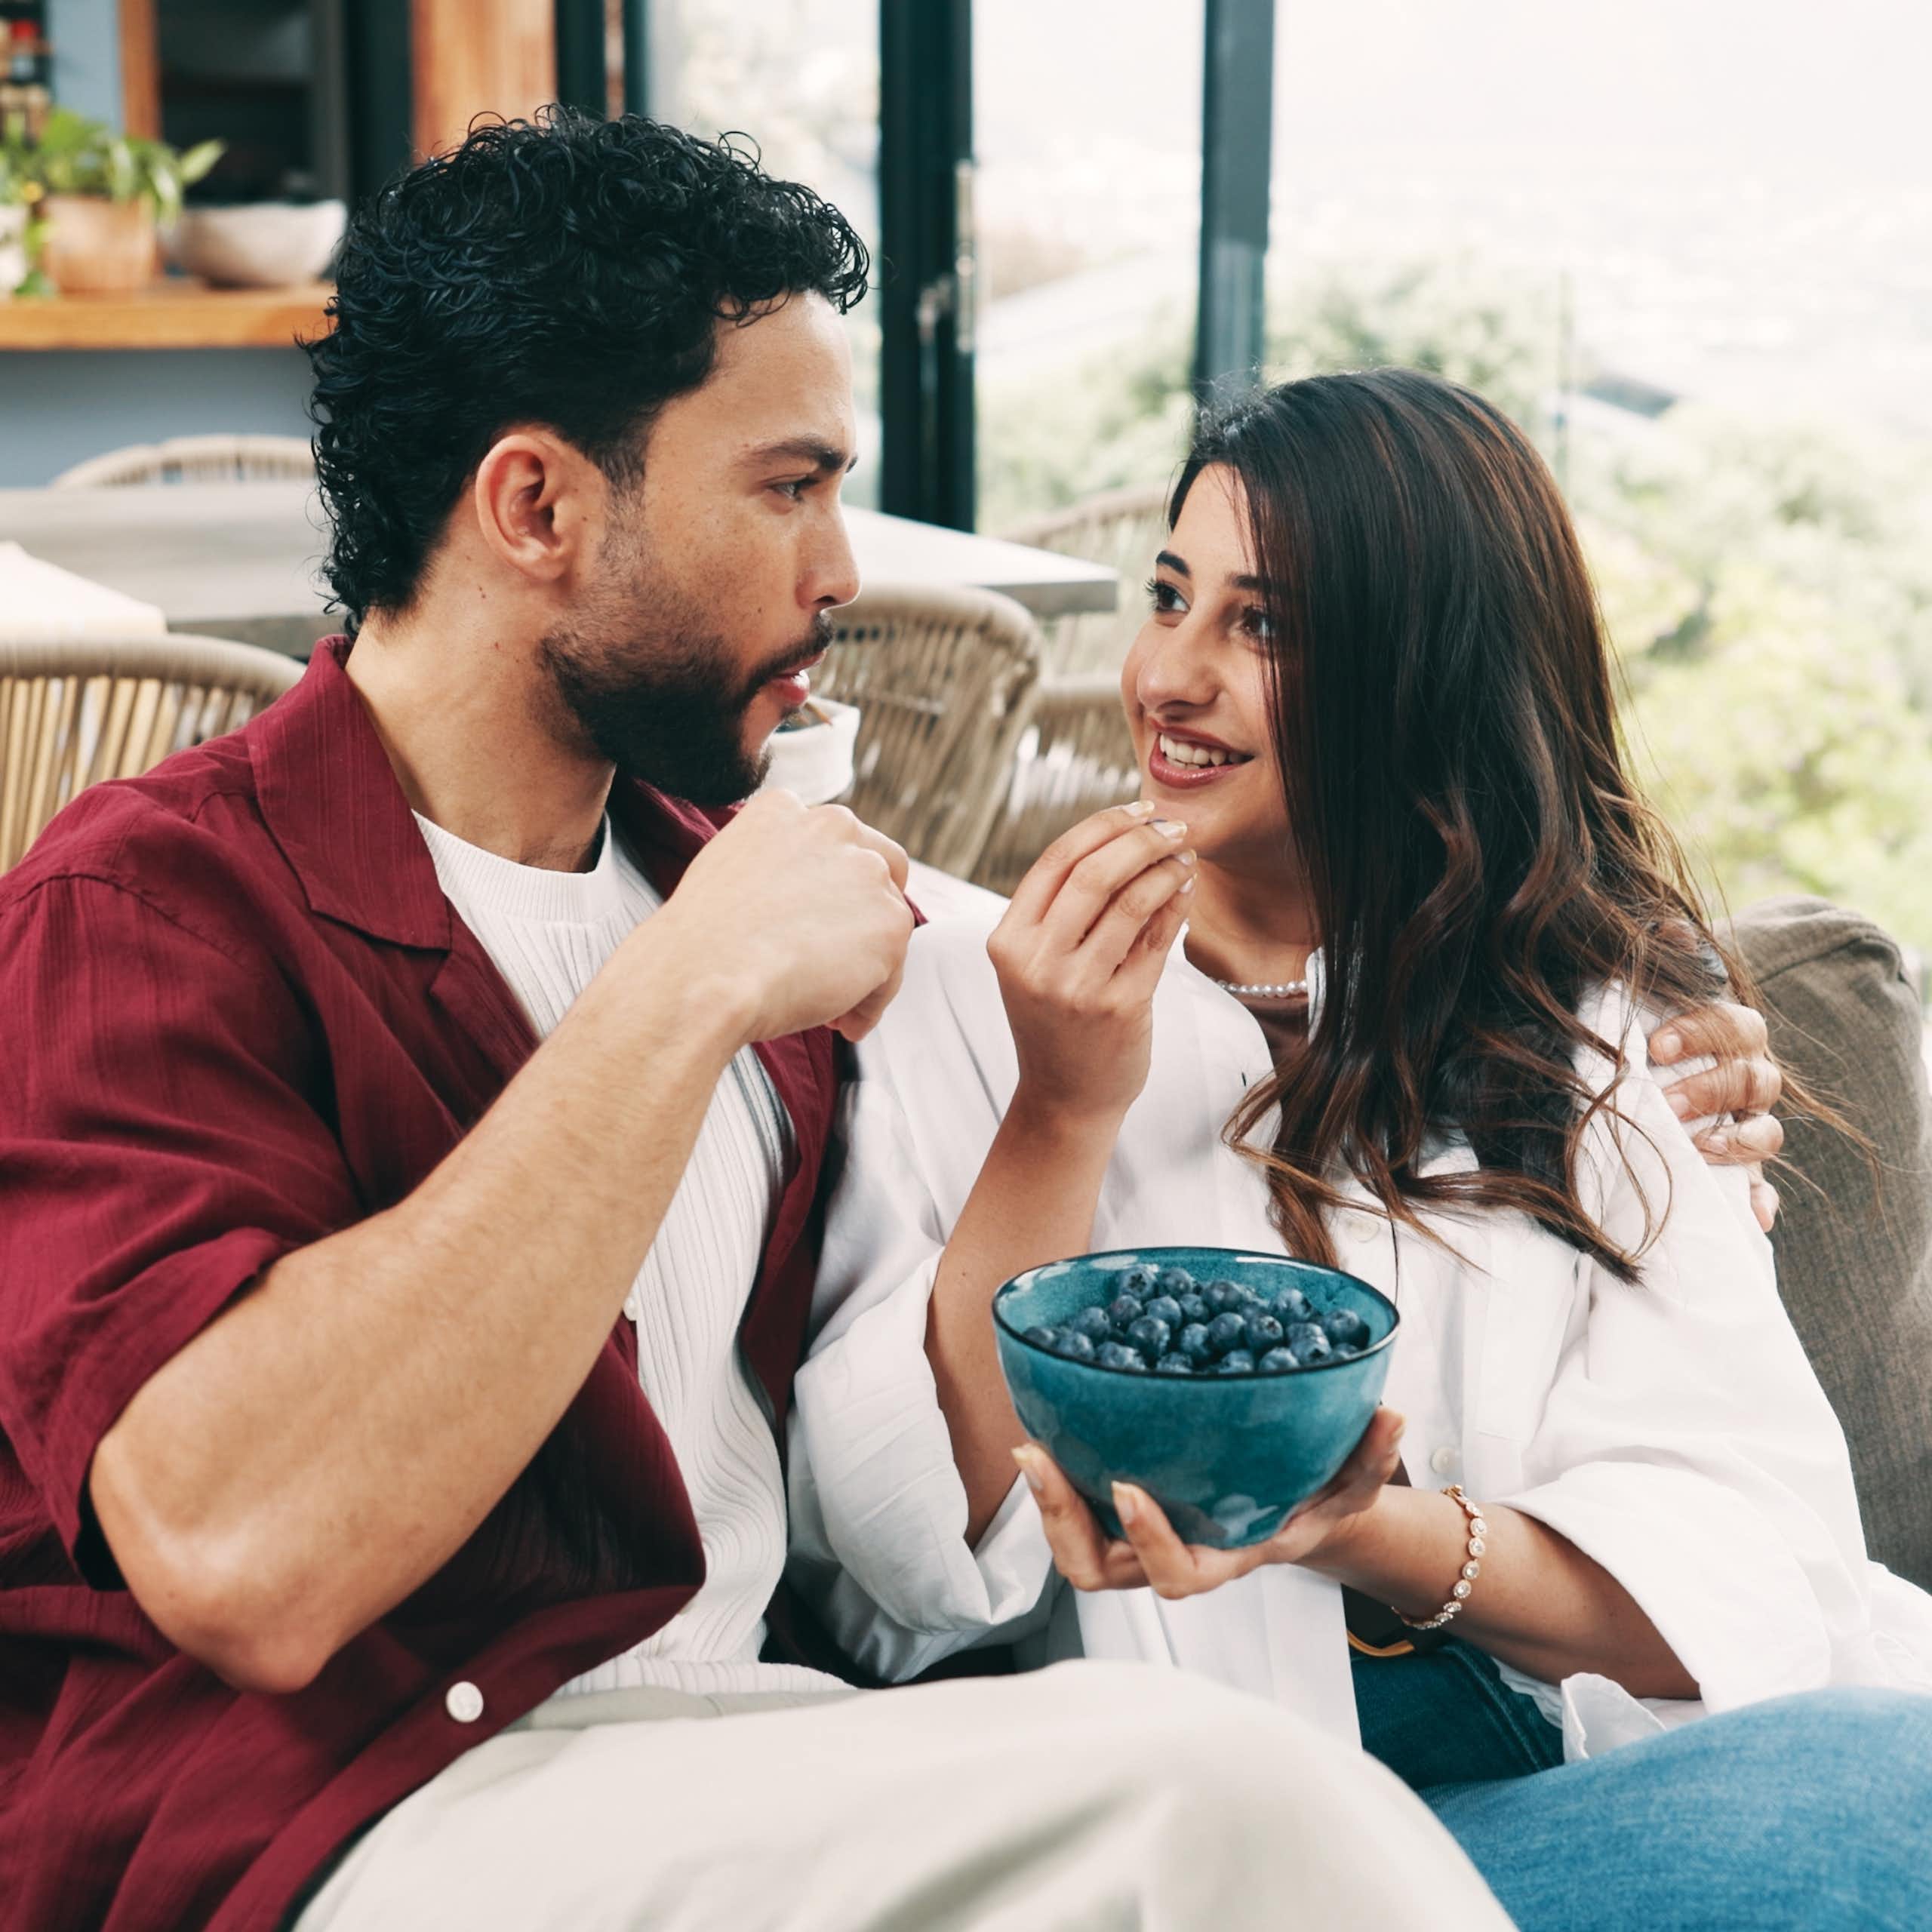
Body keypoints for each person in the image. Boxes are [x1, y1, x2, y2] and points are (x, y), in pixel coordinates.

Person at [0, 111, 1542, 1932]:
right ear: (536, 507)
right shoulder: (152, 913)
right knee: (1210, 1801)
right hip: (343, 1823)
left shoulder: (741, 899)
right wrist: (683, 992)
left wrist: (1630, 1026)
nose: (839, 571)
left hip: (749, 1758)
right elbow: (236, 1551)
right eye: (786, 485)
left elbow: (1187, 1010)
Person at [795, 369, 1932, 1929]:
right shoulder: (964, 985)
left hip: (1535, 1781)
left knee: (1890, 1783)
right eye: (1169, 597)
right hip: (1191, 1834)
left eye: (1261, 628)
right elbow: (897, 1562)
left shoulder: (1596, 1021)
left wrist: (1358, 1527)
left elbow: (1756, 1566)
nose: (1166, 678)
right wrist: (1061, 1106)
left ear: (1421, 678)